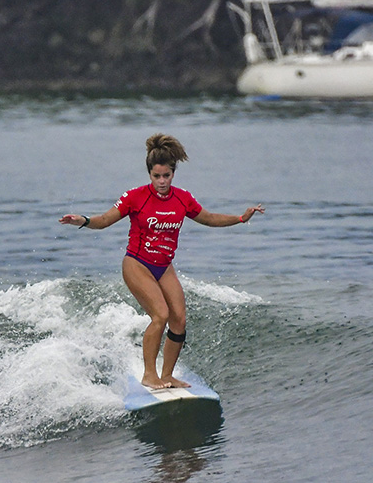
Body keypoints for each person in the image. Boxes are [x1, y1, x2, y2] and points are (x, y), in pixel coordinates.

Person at [59, 134, 264, 390]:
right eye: (157, 176)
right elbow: (105, 220)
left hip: (164, 266)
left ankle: (167, 375)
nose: (162, 181)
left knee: (179, 320)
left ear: (173, 173)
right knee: (160, 315)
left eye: (166, 175)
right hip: (137, 264)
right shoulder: (135, 197)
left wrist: (241, 218)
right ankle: (149, 375)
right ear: (150, 174)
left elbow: (209, 218)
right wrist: (84, 220)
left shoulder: (183, 198)